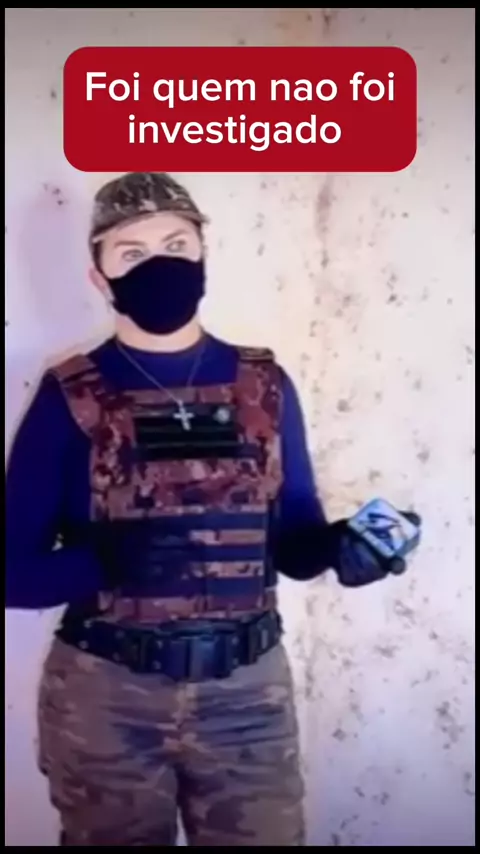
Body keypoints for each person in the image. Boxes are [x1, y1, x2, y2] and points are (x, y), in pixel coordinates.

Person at [6, 172, 421, 847]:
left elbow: (293, 541)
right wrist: (101, 562)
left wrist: (342, 547)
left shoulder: (265, 385)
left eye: (177, 244)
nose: (160, 264)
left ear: (203, 254)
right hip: (107, 700)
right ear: (98, 276)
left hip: (247, 700)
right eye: (133, 252)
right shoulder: (67, 397)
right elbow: (10, 572)